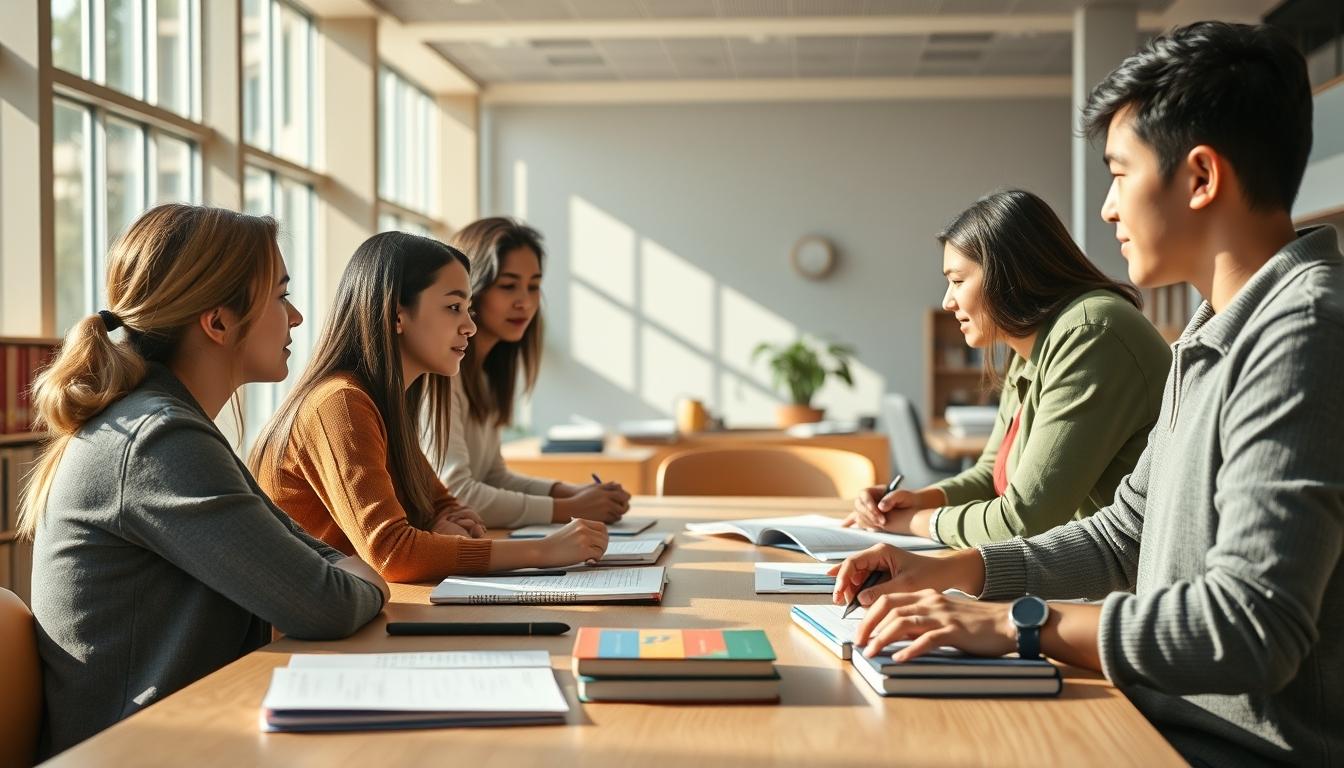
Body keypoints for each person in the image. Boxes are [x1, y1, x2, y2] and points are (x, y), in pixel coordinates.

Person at [831, 22, 1342, 767]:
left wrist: (1015, 625)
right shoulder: (1209, 336)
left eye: (1119, 173)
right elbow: (1120, 535)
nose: (1106, 209)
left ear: (1200, 178)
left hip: (1231, 748)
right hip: (1156, 717)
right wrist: (958, 571)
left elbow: (1250, 628)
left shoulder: (1302, 331)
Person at [20, 204, 388, 757]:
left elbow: (312, 562)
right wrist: (371, 580)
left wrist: (344, 572)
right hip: (145, 750)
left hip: (189, 731)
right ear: (217, 322)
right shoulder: (158, 440)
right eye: (281, 296)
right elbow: (327, 601)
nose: (297, 319)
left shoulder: (170, 424)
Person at [251, 232, 608, 582]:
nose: (470, 326)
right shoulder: (340, 404)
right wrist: (542, 551)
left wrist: (442, 523)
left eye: (468, 309)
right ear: (396, 316)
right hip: (305, 638)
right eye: (454, 308)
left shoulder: (386, 401)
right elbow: (393, 553)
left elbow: (442, 502)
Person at [846, 189, 1170, 546]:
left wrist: (917, 522)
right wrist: (916, 500)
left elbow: (1023, 520)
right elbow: (990, 475)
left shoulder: (1090, 332)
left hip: (1119, 588)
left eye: (957, 281)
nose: (947, 301)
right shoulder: (1029, 347)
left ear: (1011, 274)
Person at [422, 217, 630, 529]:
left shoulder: (484, 375)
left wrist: (572, 493)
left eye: (534, 286)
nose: (526, 302)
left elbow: (493, 476)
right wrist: (569, 507)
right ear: (469, 290)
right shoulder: (441, 375)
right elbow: (458, 493)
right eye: (508, 286)